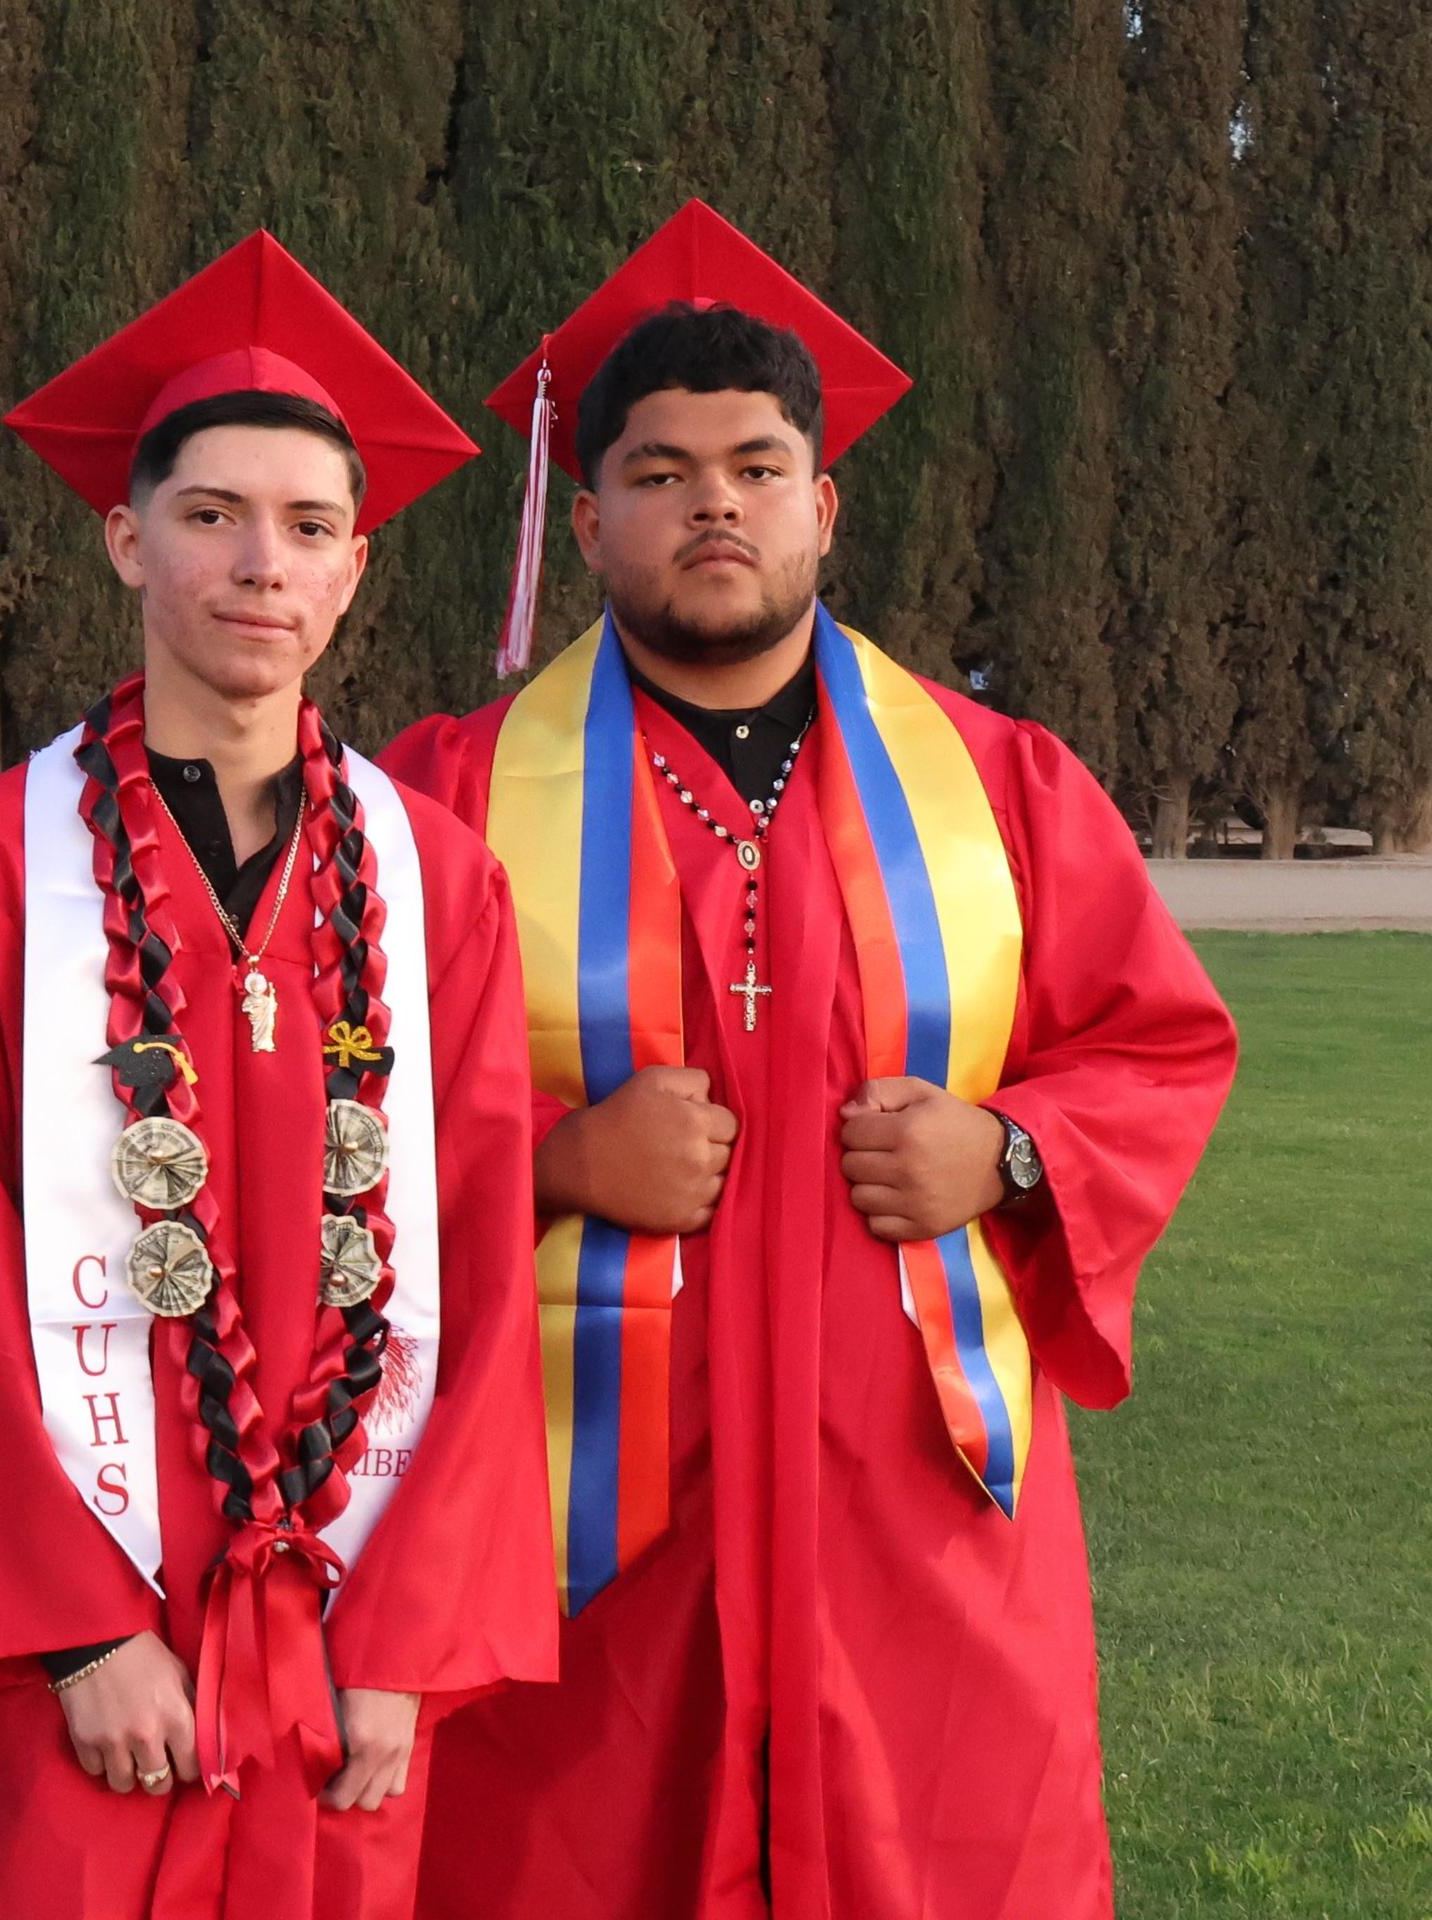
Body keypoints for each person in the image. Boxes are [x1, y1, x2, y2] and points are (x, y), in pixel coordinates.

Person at [380, 200, 1239, 1920]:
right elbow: (335, 1123)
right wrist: (554, 1158)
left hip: (911, 1517)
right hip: (583, 1537)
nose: (715, 502)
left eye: (759, 467)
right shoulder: (453, 801)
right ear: (590, 514)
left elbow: (1155, 1047)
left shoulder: (998, 787)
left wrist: (1000, 1150)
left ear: (823, 506)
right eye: (660, 468)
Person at [0, 231, 556, 1920]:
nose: (257, 563)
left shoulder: (440, 888)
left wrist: (411, 1645)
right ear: (124, 538)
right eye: (211, 514)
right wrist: (68, 1631)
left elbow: (492, 1257)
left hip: (334, 1637)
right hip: (64, 1645)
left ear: (356, 569)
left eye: (305, 527)